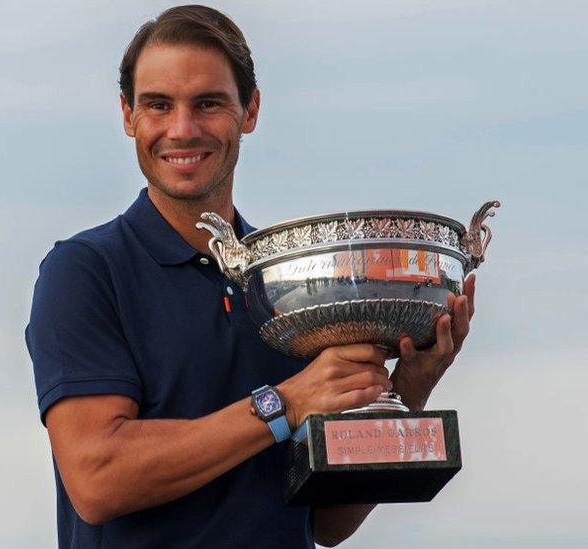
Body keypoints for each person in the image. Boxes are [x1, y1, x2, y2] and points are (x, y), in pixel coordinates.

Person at [25, 5, 475, 548]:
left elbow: (325, 524)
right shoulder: (85, 271)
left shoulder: (295, 289)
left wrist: (406, 387)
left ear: (250, 110)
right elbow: (98, 479)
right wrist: (285, 403)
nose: (182, 128)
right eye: (158, 105)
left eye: (208, 103)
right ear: (128, 116)